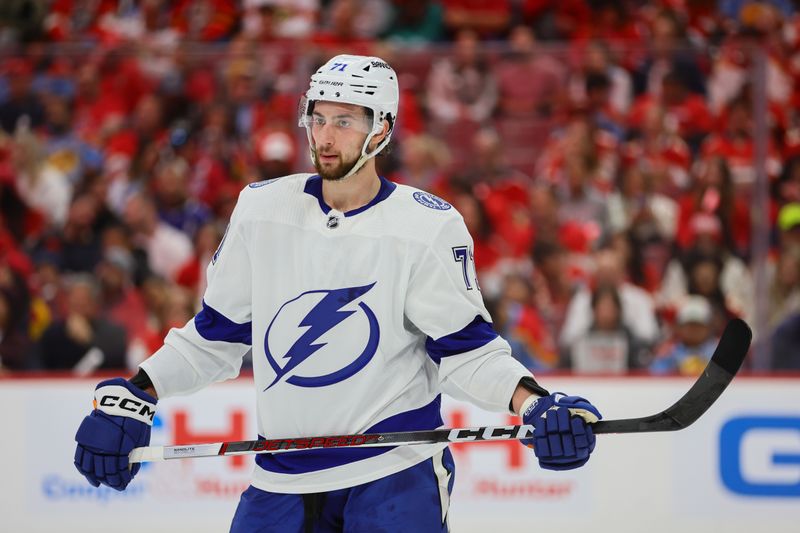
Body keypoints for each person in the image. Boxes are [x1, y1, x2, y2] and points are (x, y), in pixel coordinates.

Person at [73, 54, 602, 532]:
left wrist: (533, 404)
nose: (324, 137)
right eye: (318, 118)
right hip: (279, 481)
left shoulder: (425, 226)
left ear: (382, 130)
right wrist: (138, 392)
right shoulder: (262, 210)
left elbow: (466, 353)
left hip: (391, 476)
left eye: (345, 122)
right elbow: (215, 337)